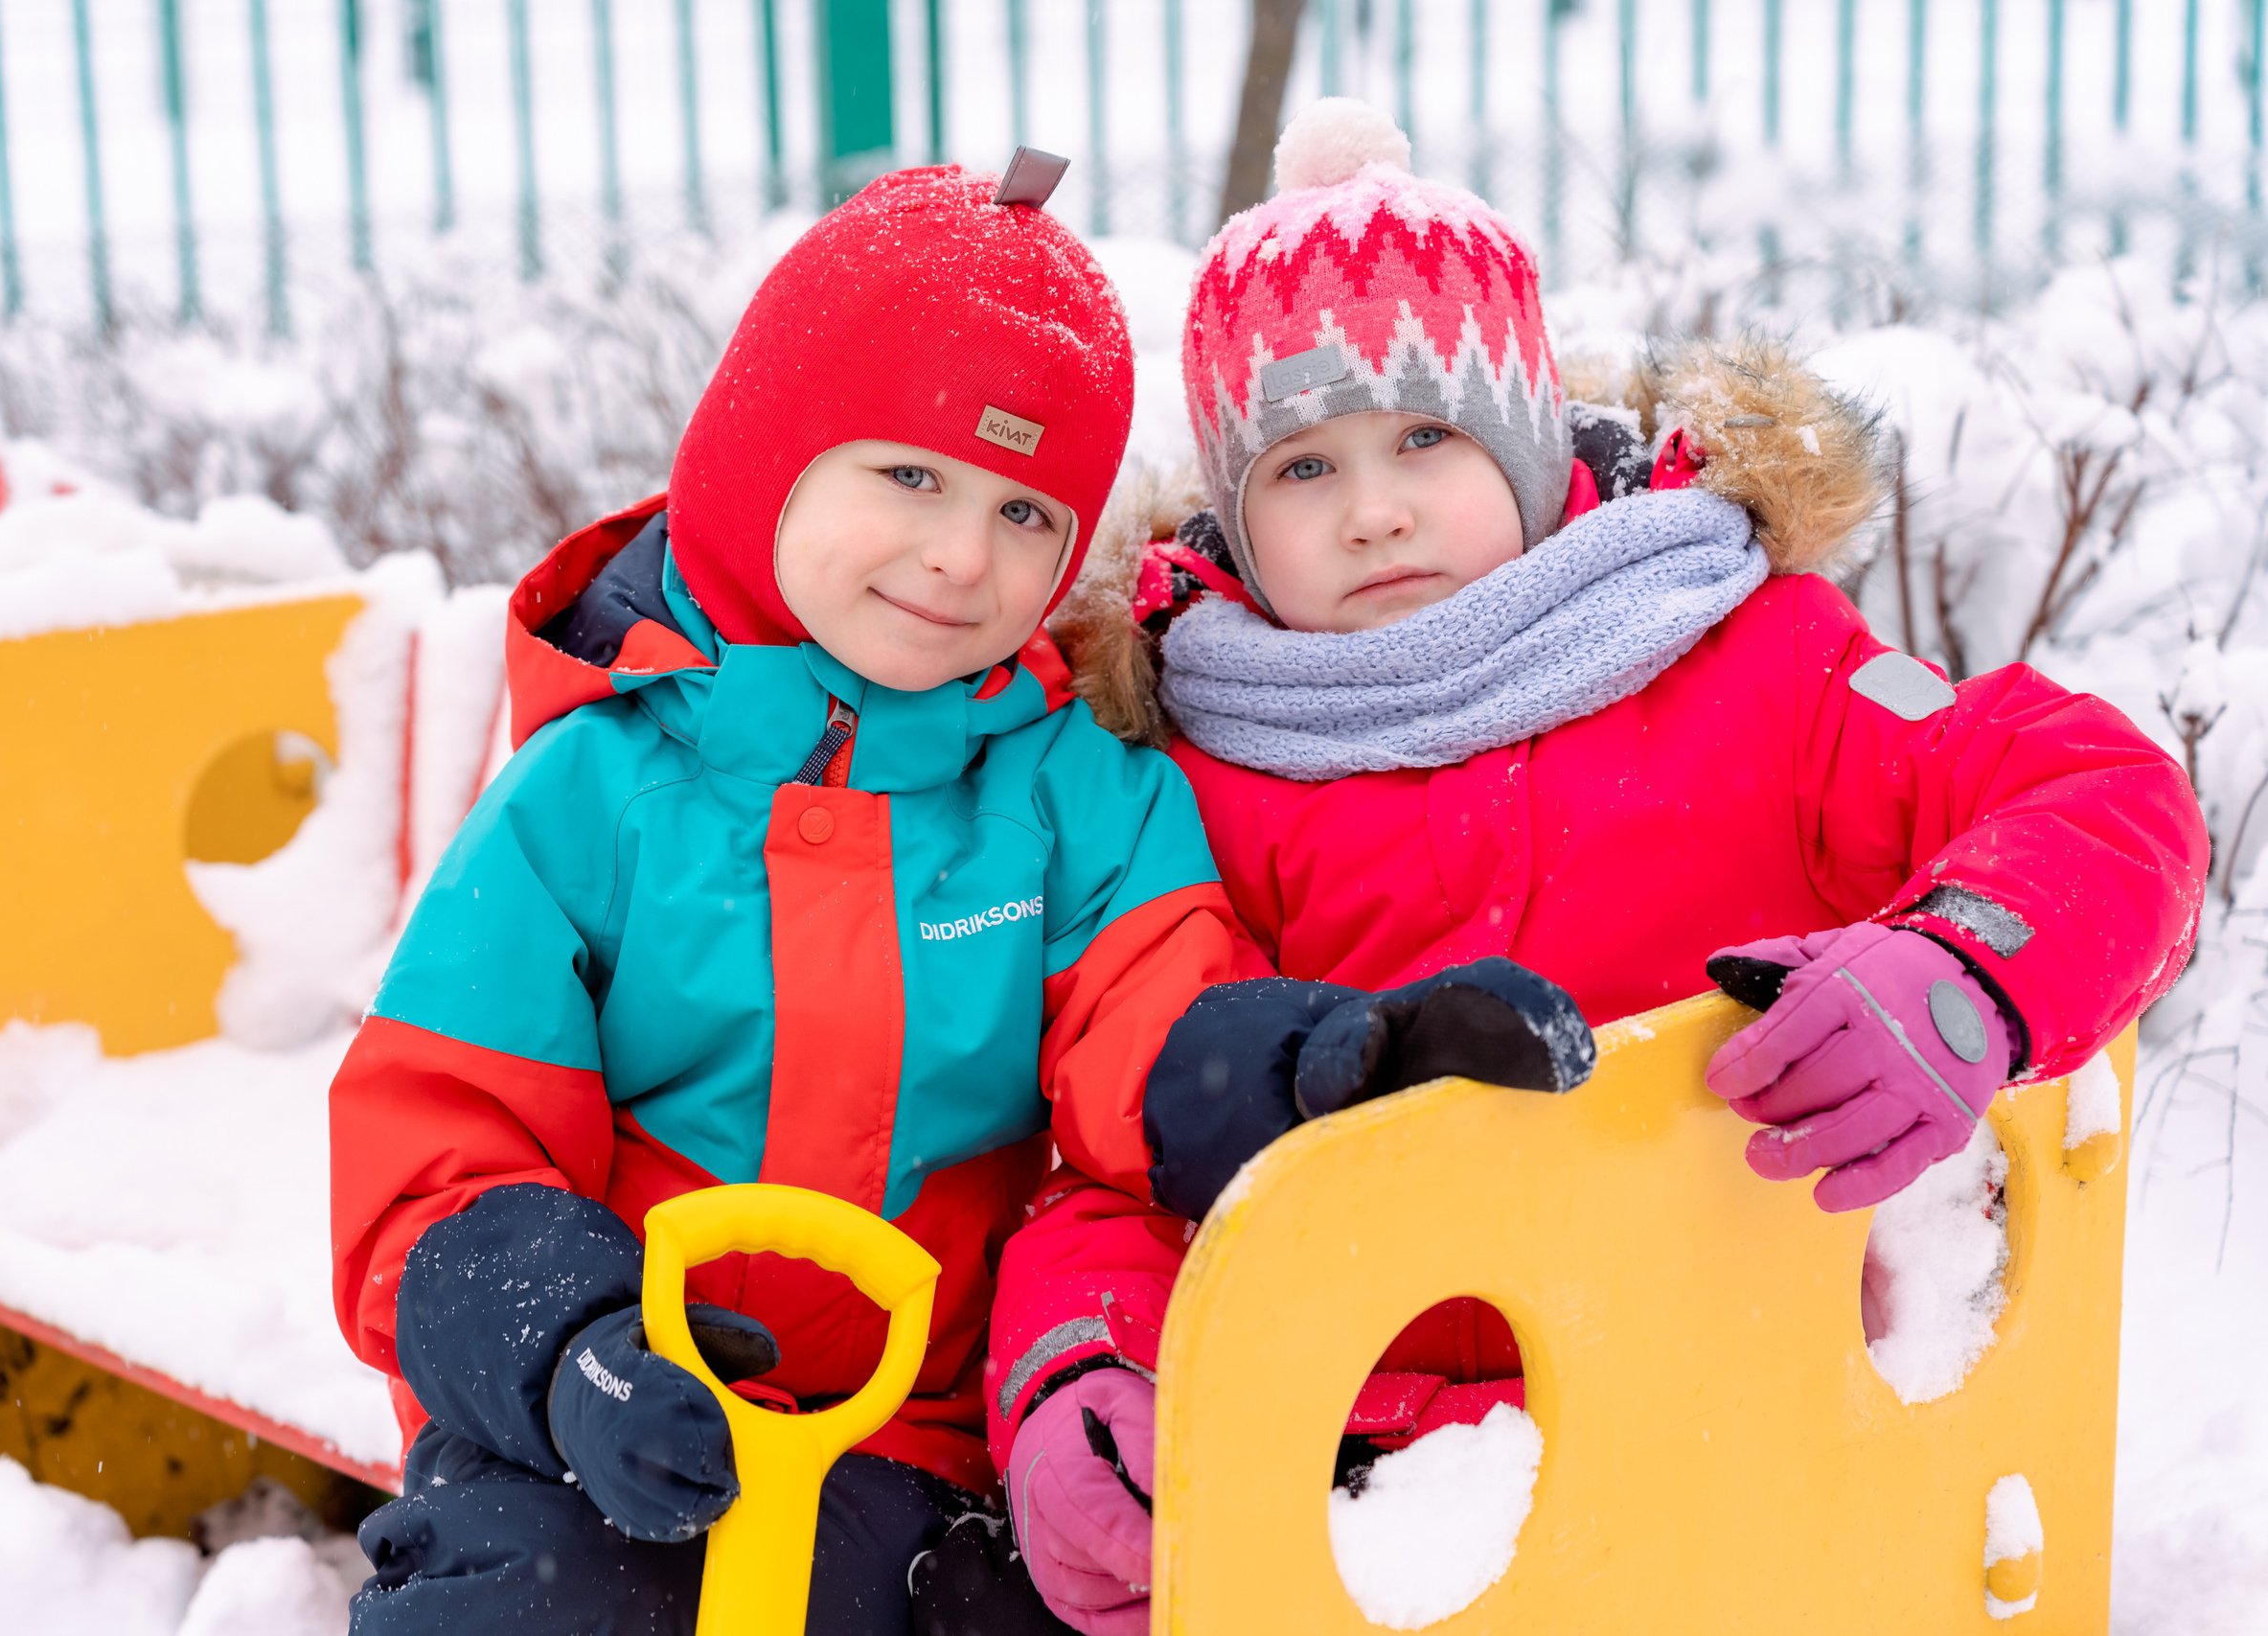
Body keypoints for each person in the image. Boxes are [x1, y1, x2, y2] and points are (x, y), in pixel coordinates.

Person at [983, 100, 2210, 1635]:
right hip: (1398, 1504)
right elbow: (1125, 1167)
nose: (1373, 510)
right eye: (1302, 468)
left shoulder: (1753, 667)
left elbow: (2094, 787)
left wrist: (1965, 967)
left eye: (1426, 436)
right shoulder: (1191, 789)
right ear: (1235, 510)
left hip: (1770, 1420)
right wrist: (1080, 1366)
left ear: (1524, 433)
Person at [327, 158, 1584, 1636]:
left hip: (934, 1449)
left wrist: (1319, 1065)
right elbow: (437, 1153)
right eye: (910, 478)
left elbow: (1156, 1026)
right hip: (606, 1435)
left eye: (1026, 514)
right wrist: (571, 1351)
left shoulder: (1068, 795)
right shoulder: (593, 802)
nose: (960, 557)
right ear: (765, 455)